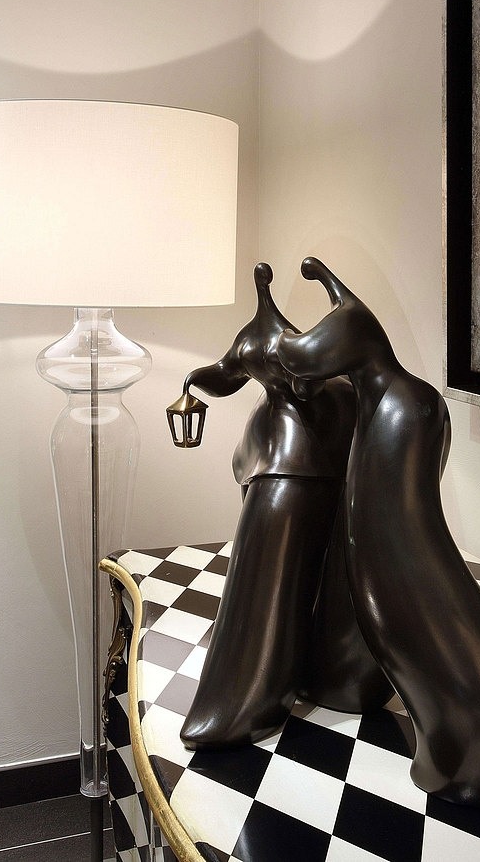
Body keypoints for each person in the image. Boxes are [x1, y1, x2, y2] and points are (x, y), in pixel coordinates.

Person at [277, 258, 480, 804]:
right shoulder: (392, 405)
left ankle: (466, 739)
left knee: (429, 620)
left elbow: (390, 536)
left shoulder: (407, 407)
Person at [173, 263, 392, 749]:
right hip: (286, 458)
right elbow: (227, 375)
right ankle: (266, 685)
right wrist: (191, 380)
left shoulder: (273, 341)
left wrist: (194, 382)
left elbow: (233, 375)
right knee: (271, 575)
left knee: (271, 573)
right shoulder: (264, 340)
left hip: (295, 461)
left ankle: (255, 693)